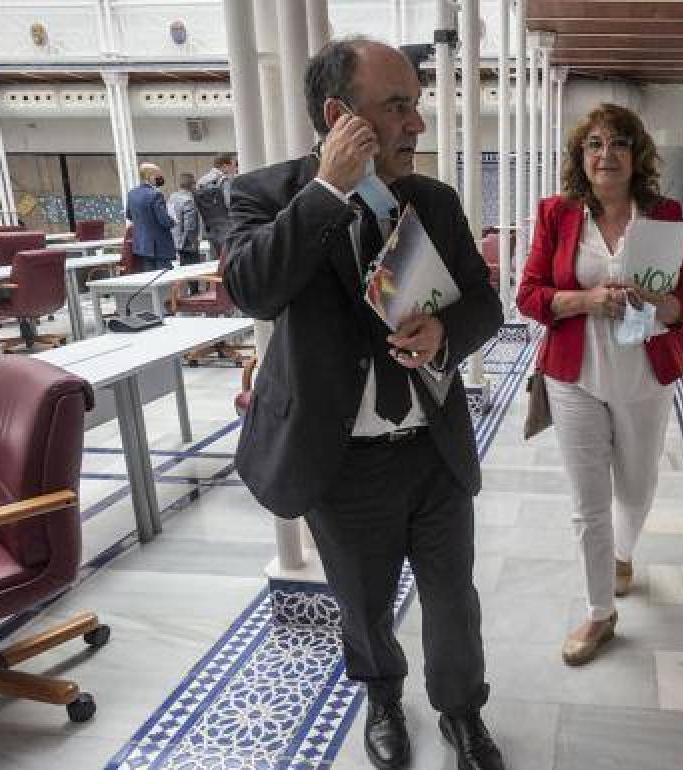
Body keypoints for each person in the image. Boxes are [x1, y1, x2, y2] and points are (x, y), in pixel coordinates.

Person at [223, 38, 505, 770]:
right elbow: (254, 287)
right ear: (340, 115)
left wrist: (447, 330)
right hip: (341, 462)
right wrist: (327, 192)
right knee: (363, 602)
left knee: (453, 599)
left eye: (417, 104)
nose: (418, 125)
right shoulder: (265, 194)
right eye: (399, 107)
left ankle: (463, 712)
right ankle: (382, 696)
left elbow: (485, 304)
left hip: (433, 450)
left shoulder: (433, 201)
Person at [517, 103, 683, 666]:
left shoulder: (665, 214)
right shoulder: (556, 214)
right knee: (588, 503)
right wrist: (586, 301)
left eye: (619, 143)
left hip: (646, 374)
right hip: (575, 375)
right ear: (581, 155)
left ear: (636, 153)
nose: (606, 154)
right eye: (595, 143)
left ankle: (624, 553)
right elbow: (529, 295)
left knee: (638, 487)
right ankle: (601, 612)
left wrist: (660, 303)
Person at [126, 162, 176, 272]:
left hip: (142, 245)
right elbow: (164, 220)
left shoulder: (132, 194)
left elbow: (129, 216)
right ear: (151, 176)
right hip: (159, 245)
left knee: (150, 278)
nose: (160, 178)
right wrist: (173, 221)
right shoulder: (155, 194)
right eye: (158, 175)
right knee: (165, 277)